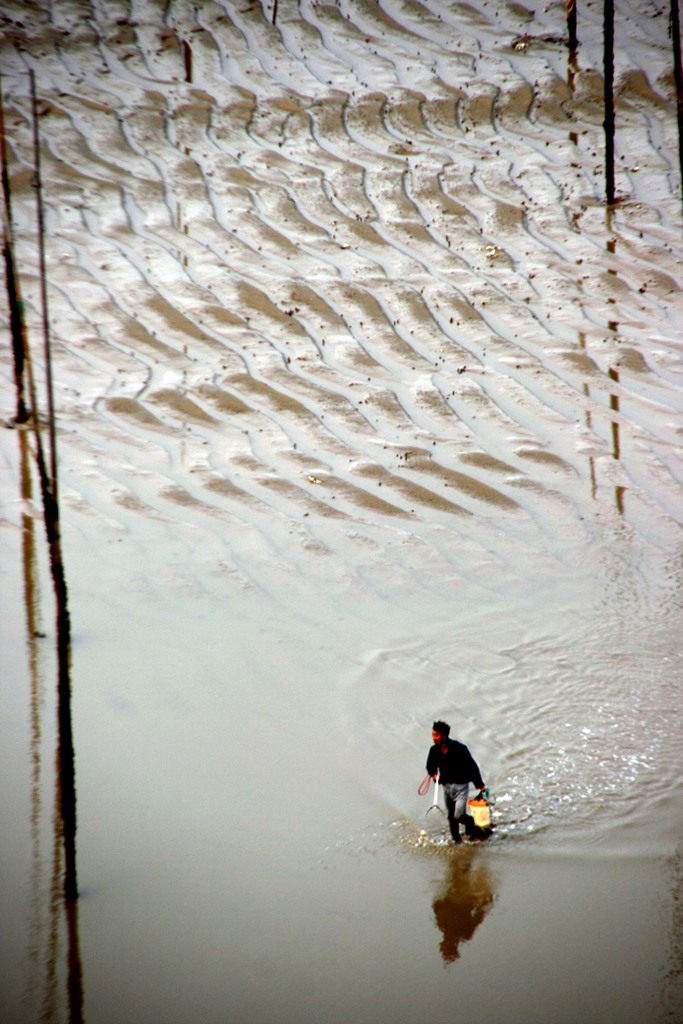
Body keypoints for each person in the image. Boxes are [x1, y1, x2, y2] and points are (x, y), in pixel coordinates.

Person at [426, 720, 486, 844]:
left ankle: (471, 823)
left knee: (458, 816)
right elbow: (430, 766)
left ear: (444, 735)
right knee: (451, 816)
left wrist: (480, 786)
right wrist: (434, 774)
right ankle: (456, 840)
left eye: (436, 735)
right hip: (446, 787)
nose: (434, 738)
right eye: (432, 734)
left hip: (461, 787)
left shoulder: (460, 749)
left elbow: (472, 767)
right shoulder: (434, 750)